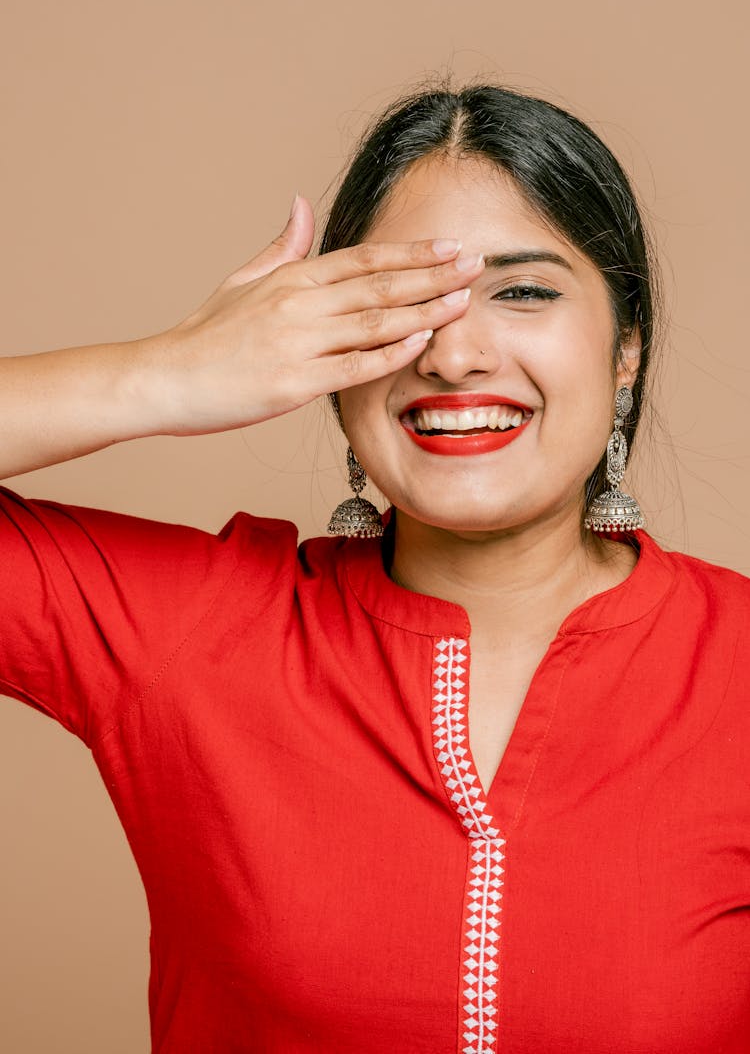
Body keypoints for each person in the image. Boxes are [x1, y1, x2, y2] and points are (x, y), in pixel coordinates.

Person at [1, 84, 748, 1054]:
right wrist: (170, 372)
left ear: (625, 354)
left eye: (523, 291)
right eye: (402, 303)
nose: (455, 353)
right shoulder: (194, 634)